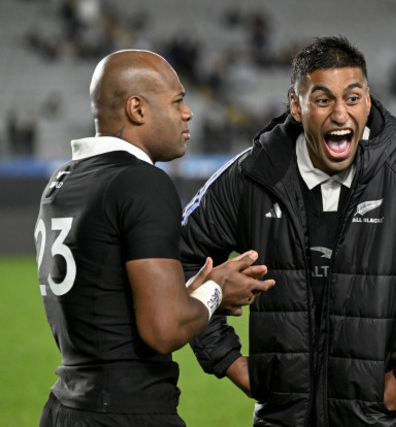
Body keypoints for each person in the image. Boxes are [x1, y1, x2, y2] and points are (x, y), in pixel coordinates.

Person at [180, 36, 396, 427]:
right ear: (297, 106)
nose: (341, 114)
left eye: (353, 97)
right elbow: (178, 257)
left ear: (368, 101)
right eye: (323, 99)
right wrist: (225, 358)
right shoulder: (251, 176)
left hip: (388, 420)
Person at [34, 49, 275, 427]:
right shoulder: (141, 181)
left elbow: (110, 295)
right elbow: (163, 330)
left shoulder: (63, 180)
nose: (188, 112)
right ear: (137, 109)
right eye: (177, 100)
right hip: (126, 411)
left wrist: (191, 292)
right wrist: (215, 293)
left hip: (65, 408)